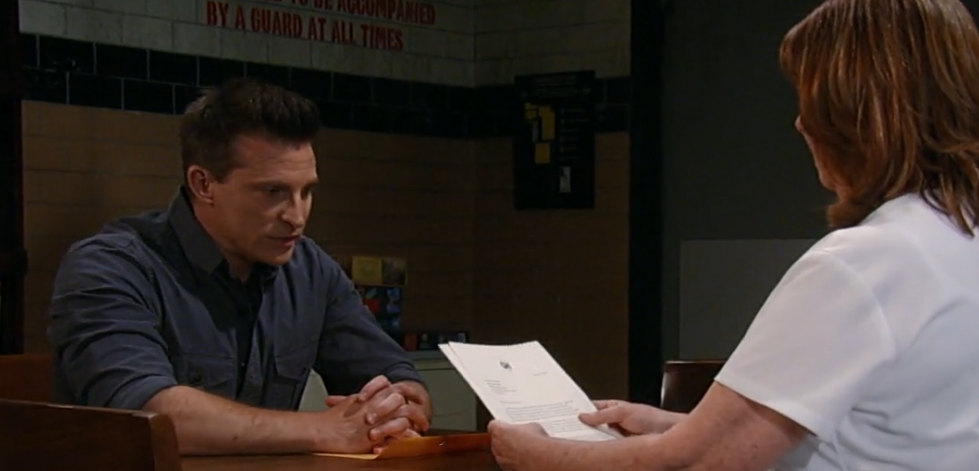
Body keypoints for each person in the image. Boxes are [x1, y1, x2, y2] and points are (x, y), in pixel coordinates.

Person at [487, 0, 979, 470]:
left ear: (850, 117)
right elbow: (883, 432)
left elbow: (698, 463)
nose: (799, 123)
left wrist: (535, 456)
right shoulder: (956, 237)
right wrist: (677, 427)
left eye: (810, 101)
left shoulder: (866, 262)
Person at [46, 77, 433, 455]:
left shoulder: (310, 268)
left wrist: (398, 407)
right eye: (273, 191)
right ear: (203, 184)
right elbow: (150, 413)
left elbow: (394, 376)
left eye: (306, 191)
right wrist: (325, 429)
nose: (297, 216)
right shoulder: (110, 267)